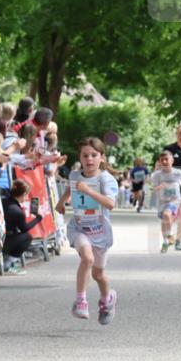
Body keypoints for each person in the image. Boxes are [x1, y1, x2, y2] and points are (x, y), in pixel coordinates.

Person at [55, 137, 118, 325]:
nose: (89, 159)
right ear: (80, 157)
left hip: (100, 232)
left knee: (98, 274)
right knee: (87, 258)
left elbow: (111, 204)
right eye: (85, 156)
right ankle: (81, 301)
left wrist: (89, 191)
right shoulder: (75, 175)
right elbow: (70, 188)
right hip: (80, 227)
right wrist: (61, 202)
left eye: (93, 155)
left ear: (102, 158)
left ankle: (108, 298)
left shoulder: (106, 179)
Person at [2, 180, 43, 274]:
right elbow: (24, 228)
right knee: (27, 237)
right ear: (24, 194)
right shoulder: (17, 211)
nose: (28, 197)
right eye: (27, 194)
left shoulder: (5, 201)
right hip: (5, 242)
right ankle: (9, 264)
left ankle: (6, 261)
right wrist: (38, 218)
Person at [151, 150, 181, 254]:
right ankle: (166, 242)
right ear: (159, 161)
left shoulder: (177, 172)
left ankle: (170, 236)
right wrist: (159, 187)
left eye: (167, 159)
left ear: (172, 160)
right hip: (162, 201)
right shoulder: (157, 175)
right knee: (164, 222)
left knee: (167, 215)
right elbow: (152, 188)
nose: (165, 162)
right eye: (162, 160)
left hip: (174, 200)